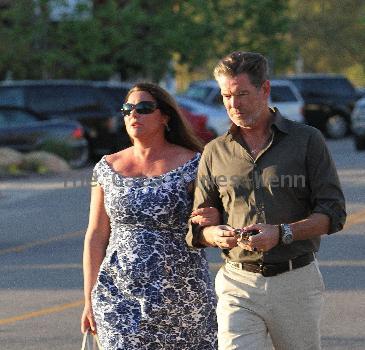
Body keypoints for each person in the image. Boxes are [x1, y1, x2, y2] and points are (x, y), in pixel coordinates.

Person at [186, 51, 346, 350]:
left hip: (295, 281)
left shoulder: (307, 140)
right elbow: (198, 228)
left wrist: (282, 233)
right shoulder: (214, 152)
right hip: (237, 283)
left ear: (265, 89)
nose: (233, 104)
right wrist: (214, 234)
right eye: (226, 96)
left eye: (242, 94)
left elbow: (333, 213)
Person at [81, 82, 218, 349]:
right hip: (118, 297)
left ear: (165, 117)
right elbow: (96, 235)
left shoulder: (195, 164)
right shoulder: (106, 168)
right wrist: (89, 299)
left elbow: (211, 221)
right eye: (128, 109)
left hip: (182, 297)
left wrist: (213, 220)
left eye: (144, 108)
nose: (134, 114)